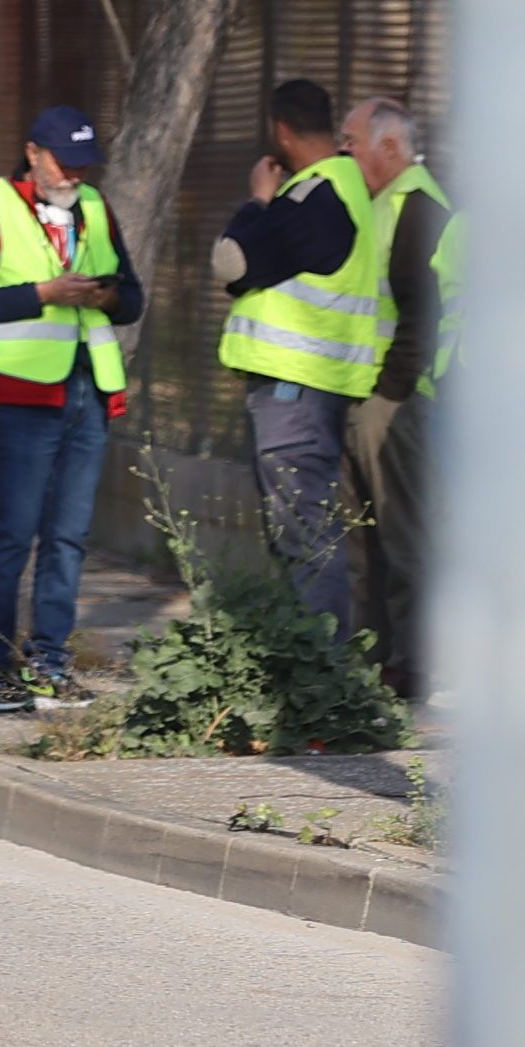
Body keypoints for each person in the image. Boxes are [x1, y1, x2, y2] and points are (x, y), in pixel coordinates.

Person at [0, 105, 145, 712]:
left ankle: (49, 666)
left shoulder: (96, 209)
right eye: (66, 161)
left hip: (87, 391)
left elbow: (131, 298)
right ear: (33, 153)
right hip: (20, 397)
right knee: (12, 535)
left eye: (85, 164)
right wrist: (43, 294)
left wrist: (106, 295)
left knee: (68, 537)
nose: (76, 174)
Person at [212, 78, 380, 634]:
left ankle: (319, 672)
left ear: (279, 130)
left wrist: (257, 199)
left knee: (304, 532)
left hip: (296, 389)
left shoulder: (316, 195)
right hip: (316, 386)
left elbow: (232, 263)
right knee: (305, 529)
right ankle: (312, 661)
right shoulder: (346, 187)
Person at [341, 95, 461, 699]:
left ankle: (409, 668)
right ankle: (375, 659)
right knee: (368, 539)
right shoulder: (385, 203)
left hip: (396, 400)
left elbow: (421, 311)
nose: (346, 153)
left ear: (390, 146)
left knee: (401, 535)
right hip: (373, 394)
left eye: (352, 142)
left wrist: (389, 393)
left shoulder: (418, 208)